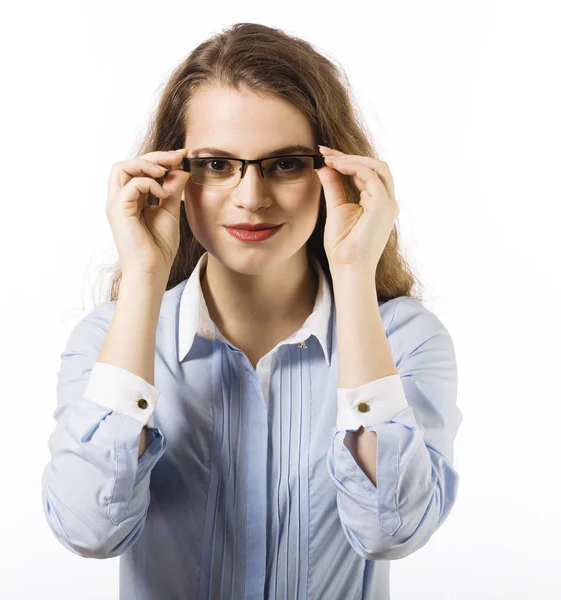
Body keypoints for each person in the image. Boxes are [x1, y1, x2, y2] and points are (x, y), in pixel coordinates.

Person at [41, 22, 463, 600]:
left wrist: (355, 275)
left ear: (333, 171)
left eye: (286, 163)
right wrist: (143, 277)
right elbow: (89, 531)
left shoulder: (405, 339)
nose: (251, 197)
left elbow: (392, 530)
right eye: (216, 164)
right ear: (172, 176)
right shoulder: (107, 341)